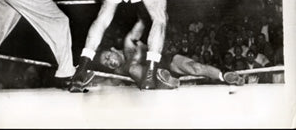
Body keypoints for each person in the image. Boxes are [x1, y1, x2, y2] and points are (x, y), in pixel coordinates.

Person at [96, 18, 244, 89]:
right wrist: (87, 79)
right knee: (133, 69)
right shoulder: (119, 71)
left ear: (113, 50)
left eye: (108, 56)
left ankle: (224, 75)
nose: (110, 61)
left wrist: (145, 4)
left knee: (196, 67)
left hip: (164, 60)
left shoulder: (129, 44)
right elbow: (106, 82)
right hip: (151, 77)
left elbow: (140, 23)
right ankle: (163, 80)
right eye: (107, 63)